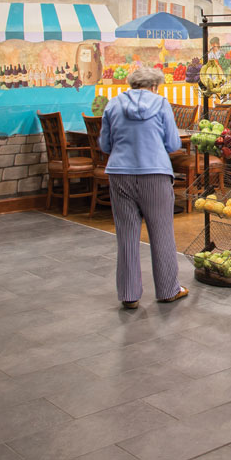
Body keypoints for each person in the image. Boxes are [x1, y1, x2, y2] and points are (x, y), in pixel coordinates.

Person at [98, 67, 187, 309]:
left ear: (132, 84)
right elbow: (172, 143)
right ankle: (169, 290)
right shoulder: (160, 104)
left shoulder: (113, 104)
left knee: (126, 235)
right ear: (155, 86)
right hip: (155, 174)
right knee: (162, 233)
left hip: (119, 174)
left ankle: (129, 295)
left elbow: (105, 145)